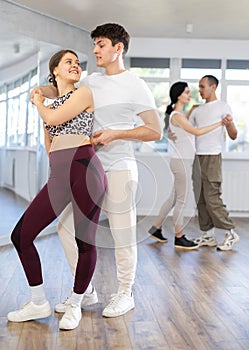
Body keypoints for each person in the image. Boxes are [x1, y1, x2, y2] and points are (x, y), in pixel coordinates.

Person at [32, 23, 162, 318]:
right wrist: (40, 90)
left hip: (119, 166)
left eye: (101, 44)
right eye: (94, 45)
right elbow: (60, 89)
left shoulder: (136, 85)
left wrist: (116, 134)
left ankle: (125, 292)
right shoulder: (91, 80)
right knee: (65, 228)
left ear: (118, 48)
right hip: (87, 166)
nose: (94, 51)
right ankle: (85, 291)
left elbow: (155, 130)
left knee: (121, 232)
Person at [7, 49, 107, 330]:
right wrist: (42, 100)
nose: (75, 65)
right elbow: (50, 148)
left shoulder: (83, 94)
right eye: (69, 62)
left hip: (86, 170)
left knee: (84, 242)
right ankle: (37, 300)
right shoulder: (51, 104)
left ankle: (76, 303)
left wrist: (39, 100)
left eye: (77, 62)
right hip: (60, 173)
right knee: (21, 235)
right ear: (56, 71)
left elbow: (52, 120)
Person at [147, 81, 223, 249]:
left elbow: (183, 129)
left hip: (180, 161)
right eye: (187, 92)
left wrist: (192, 111)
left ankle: (156, 228)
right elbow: (196, 132)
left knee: (174, 198)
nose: (190, 95)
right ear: (179, 95)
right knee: (181, 200)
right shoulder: (177, 116)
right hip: (182, 163)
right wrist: (220, 123)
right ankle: (179, 237)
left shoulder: (178, 116)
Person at [189, 75, 239, 251]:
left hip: (212, 157)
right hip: (198, 157)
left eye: (202, 87)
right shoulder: (197, 110)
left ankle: (230, 232)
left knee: (212, 197)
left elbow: (233, 135)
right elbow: (185, 131)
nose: (200, 90)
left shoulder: (222, 107)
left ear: (213, 87)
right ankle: (208, 235)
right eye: (199, 87)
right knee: (201, 198)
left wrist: (229, 124)